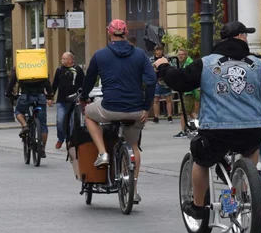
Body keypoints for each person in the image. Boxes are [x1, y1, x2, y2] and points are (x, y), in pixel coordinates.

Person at [156, 22, 261, 218]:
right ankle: (243, 187)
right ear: (239, 37)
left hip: (216, 131)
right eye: (246, 35)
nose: (247, 38)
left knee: (201, 158)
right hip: (252, 129)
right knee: (252, 148)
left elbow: (181, 81)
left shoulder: (206, 63)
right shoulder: (258, 65)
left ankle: (198, 207)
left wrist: (163, 67)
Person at [80, 19, 156, 189]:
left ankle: (102, 152)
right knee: (134, 145)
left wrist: (83, 97)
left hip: (109, 108)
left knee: (88, 114)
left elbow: (89, 79)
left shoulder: (100, 55)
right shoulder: (140, 54)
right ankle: (133, 189)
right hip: (136, 110)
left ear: (109, 33)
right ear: (126, 33)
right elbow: (151, 81)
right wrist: (146, 106)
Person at [9, 63, 53, 157]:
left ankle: (25, 125)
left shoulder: (20, 67)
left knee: (18, 111)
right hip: (40, 97)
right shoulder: (41, 67)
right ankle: (42, 149)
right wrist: (49, 96)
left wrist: (8, 93)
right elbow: (47, 83)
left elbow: (12, 82)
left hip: (25, 97)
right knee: (43, 124)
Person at [50, 52, 85, 149]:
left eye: (64, 59)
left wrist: (83, 96)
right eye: (62, 58)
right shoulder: (59, 70)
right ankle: (61, 138)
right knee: (60, 121)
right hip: (62, 100)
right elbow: (55, 85)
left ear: (70, 60)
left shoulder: (78, 70)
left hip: (74, 101)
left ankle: (70, 140)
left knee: (73, 122)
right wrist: (50, 97)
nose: (62, 60)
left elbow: (84, 84)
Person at [172, 47, 198, 139]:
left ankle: (183, 131)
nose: (180, 56)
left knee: (182, 112)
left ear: (186, 55)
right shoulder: (185, 63)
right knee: (190, 112)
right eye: (178, 54)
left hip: (189, 91)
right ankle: (200, 127)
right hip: (188, 91)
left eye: (181, 54)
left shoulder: (189, 63)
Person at [152, 45, 172, 124]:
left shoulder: (167, 59)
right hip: (156, 81)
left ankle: (169, 116)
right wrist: (154, 70)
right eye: (157, 50)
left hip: (165, 81)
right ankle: (156, 117)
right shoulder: (151, 59)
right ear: (155, 51)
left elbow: (172, 67)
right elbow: (148, 69)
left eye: (160, 50)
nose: (158, 52)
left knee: (168, 99)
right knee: (156, 100)